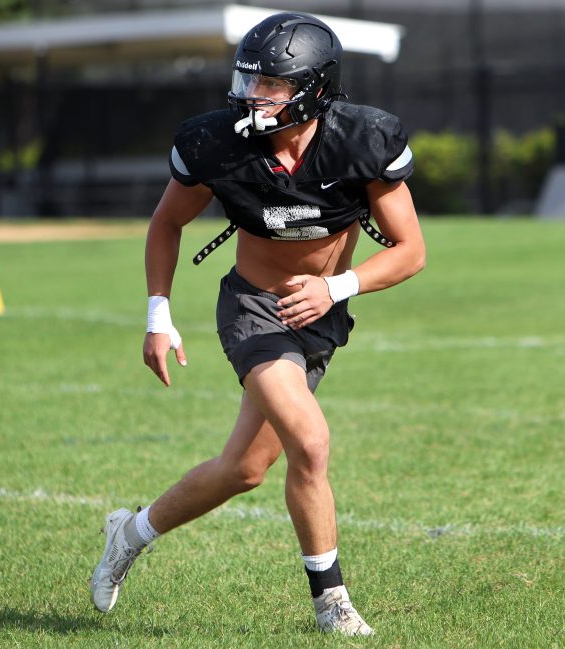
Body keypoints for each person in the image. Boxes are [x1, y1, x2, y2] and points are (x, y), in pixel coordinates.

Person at [90, 11, 425, 637]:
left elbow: (411, 250)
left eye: (270, 84)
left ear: (313, 89)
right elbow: (166, 223)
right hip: (254, 309)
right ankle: (332, 605)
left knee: (243, 470)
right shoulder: (216, 142)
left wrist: (336, 287)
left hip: (320, 313)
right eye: (250, 81)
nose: (253, 95)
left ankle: (129, 533)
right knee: (312, 440)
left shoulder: (363, 139)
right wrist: (158, 316)